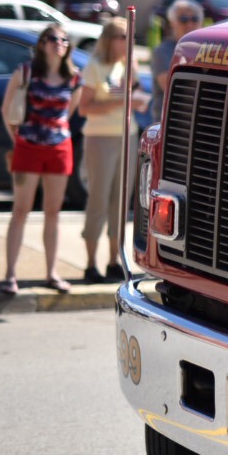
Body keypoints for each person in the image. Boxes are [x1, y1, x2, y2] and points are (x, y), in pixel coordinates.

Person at [0, 24, 81, 295]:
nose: (59, 43)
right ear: (42, 44)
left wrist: (53, 133)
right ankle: (10, 275)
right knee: (21, 210)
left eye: (64, 40)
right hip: (28, 147)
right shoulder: (25, 72)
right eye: (53, 39)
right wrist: (19, 140)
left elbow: (68, 113)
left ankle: (51, 273)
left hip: (59, 149)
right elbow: (7, 109)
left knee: (53, 213)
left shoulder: (73, 77)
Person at [77, 18, 142, 283]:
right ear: (111, 39)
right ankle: (90, 264)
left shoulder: (127, 65)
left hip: (127, 135)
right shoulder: (94, 67)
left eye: (131, 37)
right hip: (100, 138)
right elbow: (84, 108)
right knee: (99, 200)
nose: (129, 42)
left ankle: (114, 260)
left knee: (121, 202)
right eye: (124, 36)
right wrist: (121, 103)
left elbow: (133, 93)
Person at [150, 0, 202, 125]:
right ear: (172, 22)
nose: (189, 24)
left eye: (194, 19)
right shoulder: (162, 51)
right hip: (170, 123)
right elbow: (172, 88)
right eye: (183, 19)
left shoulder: (207, 50)